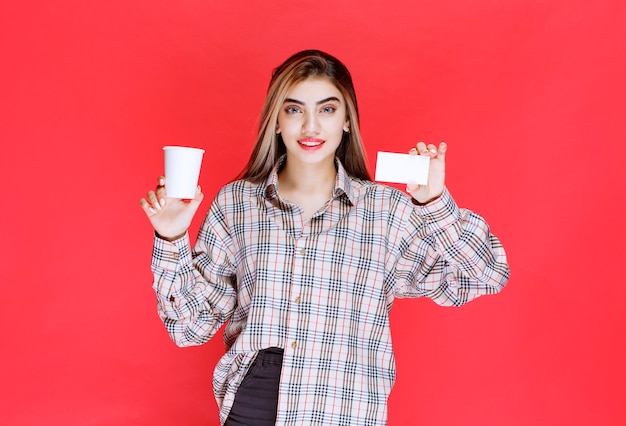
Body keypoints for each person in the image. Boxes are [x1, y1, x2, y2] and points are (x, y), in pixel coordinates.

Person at [139, 49, 510, 426]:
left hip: (343, 408)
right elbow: (189, 328)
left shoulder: (387, 212)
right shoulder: (237, 203)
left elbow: (485, 275)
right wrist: (172, 239)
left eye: (327, 110)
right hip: (255, 407)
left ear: (347, 121)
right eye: (295, 109)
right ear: (277, 121)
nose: (311, 127)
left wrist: (434, 203)